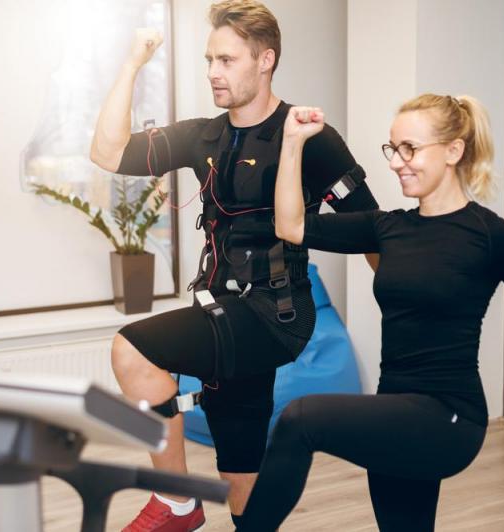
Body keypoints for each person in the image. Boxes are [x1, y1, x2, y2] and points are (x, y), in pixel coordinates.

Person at [236, 95, 504, 531]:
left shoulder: (494, 237)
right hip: (394, 410)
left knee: (300, 419)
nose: (398, 162)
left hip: (449, 417)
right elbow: (290, 227)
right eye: (393, 149)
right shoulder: (387, 227)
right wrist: (292, 142)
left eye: (410, 149)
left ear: (453, 150)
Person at [89, 1, 379, 530]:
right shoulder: (205, 135)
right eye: (208, 60)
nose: (212, 73)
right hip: (222, 310)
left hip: (273, 314)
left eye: (226, 60)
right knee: (241, 482)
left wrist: (407, 309)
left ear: (265, 60)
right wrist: (133, 63)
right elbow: (108, 153)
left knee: (130, 350)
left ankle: (176, 499)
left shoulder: (306, 135)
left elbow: (370, 226)